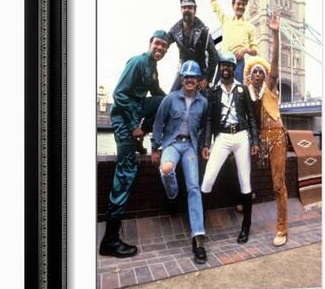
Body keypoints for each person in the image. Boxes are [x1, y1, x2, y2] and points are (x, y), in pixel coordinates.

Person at [99, 30, 169, 258]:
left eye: (164, 47)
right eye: (157, 44)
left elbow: (158, 95)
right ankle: (110, 240)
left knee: (163, 102)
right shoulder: (138, 62)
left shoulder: (153, 68)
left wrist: (177, 97)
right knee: (126, 170)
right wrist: (133, 126)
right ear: (150, 43)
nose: (159, 48)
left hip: (134, 115)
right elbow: (118, 94)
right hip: (122, 119)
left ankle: (138, 140)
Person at [151, 60, 208, 264]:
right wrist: (155, 147)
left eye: (193, 77)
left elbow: (204, 127)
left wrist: (203, 146)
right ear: (182, 79)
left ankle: (198, 238)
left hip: (190, 147)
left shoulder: (203, 102)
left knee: (194, 187)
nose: (189, 80)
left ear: (197, 79)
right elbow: (158, 123)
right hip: (172, 144)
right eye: (186, 77)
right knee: (166, 169)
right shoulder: (170, 99)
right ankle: (173, 193)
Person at [201, 52, 259, 243]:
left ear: (235, 68)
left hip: (241, 136)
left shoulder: (242, 89)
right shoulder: (214, 92)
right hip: (222, 137)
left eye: (229, 66)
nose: (226, 69)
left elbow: (251, 117)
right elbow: (209, 119)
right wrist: (206, 144)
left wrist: (255, 142)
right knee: (208, 179)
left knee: (245, 181)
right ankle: (200, 225)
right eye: (223, 66)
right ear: (220, 68)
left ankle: (246, 227)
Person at [244, 13, 289, 247]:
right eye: (255, 72)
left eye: (262, 71)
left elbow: (275, 62)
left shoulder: (270, 87)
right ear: (250, 77)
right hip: (259, 140)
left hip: (276, 137)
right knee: (240, 166)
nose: (259, 74)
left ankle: (282, 228)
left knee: (278, 184)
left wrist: (274, 33)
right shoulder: (247, 95)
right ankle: (242, 200)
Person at [211, 0, 258, 83]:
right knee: (217, 89)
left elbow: (255, 50)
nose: (241, 6)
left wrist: (245, 50)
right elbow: (213, 1)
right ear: (233, 5)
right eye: (238, 4)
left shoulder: (250, 27)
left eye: (243, 4)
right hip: (223, 61)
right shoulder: (225, 21)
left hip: (239, 63)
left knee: (236, 91)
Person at [168, 0, 218, 92]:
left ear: (195, 10)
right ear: (181, 10)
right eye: (184, 7)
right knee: (171, 96)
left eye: (189, 7)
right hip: (183, 69)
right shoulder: (174, 30)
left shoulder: (204, 31)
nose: (186, 10)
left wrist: (207, 79)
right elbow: (163, 43)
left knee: (205, 99)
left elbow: (214, 56)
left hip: (200, 71)